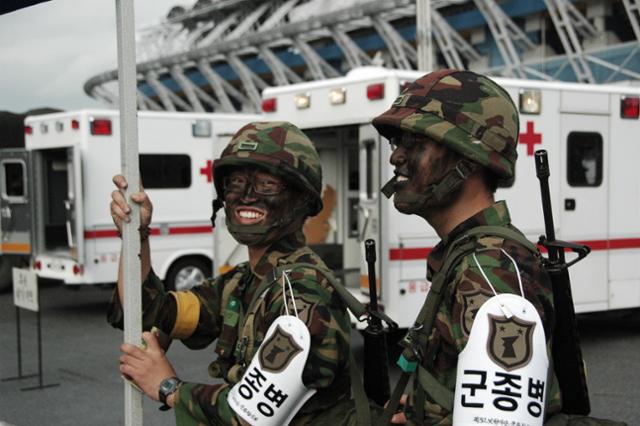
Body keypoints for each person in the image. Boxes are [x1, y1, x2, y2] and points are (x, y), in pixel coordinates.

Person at [107, 121, 354, 425]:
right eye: (235, 183)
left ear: (303, 198)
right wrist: (137, 234)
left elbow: (250, 417)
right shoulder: (243, 281)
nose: (247, 196)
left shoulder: (303, 292)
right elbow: (152, 311)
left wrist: (169, 387)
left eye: (266, 184)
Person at [371, 70, 561, 424]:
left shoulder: (491, 269)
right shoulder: (468, 255)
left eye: (415, 143)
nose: (396, 157)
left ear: (469, 158)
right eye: (397, 142)